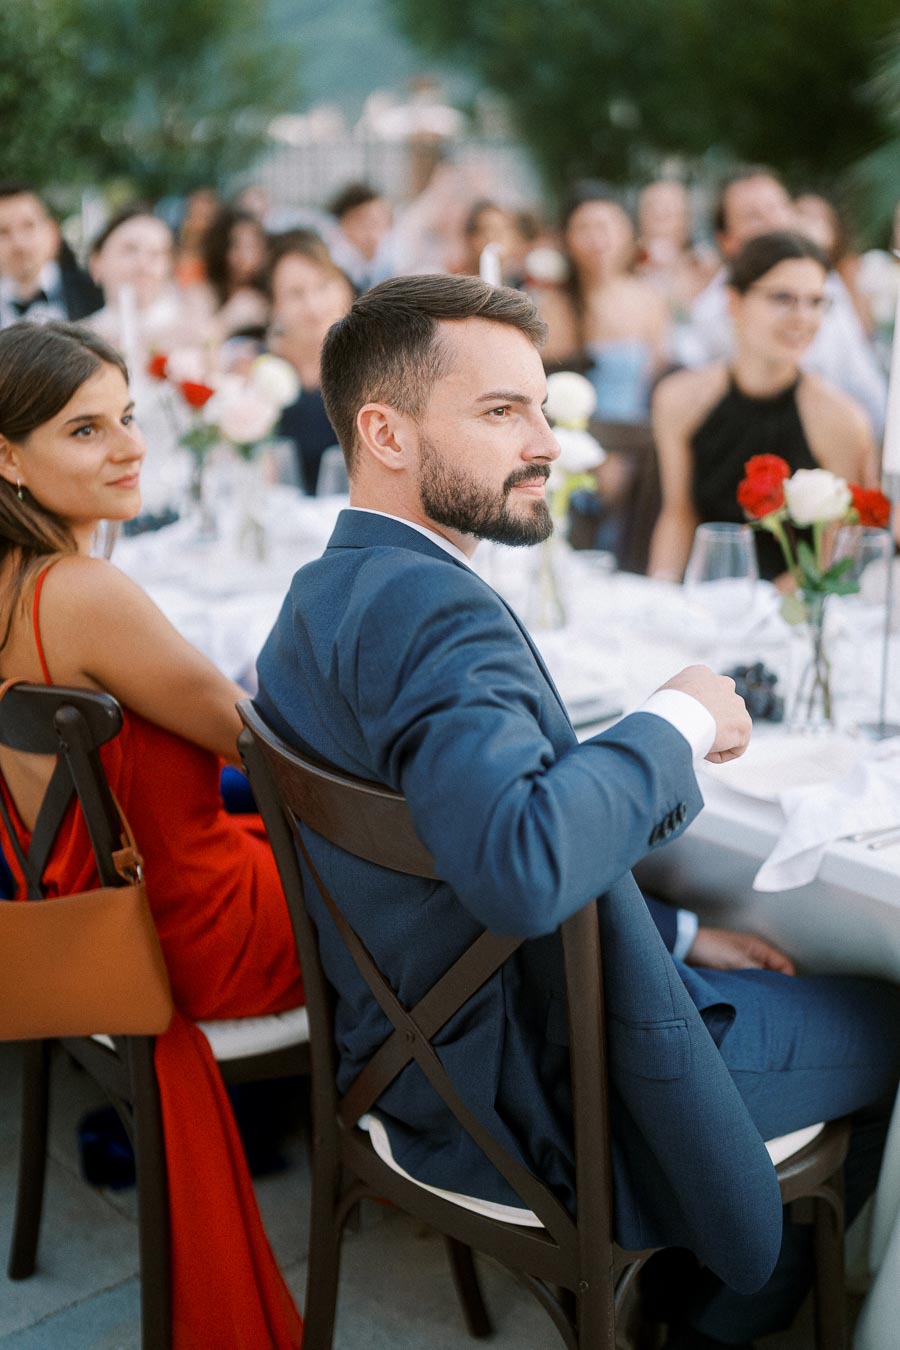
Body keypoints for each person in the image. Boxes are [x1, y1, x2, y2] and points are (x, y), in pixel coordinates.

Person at [255, 273, 900, 1349]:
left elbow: (475, 818)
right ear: (387, 432)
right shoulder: (439, 616)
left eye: (542, 408)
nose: (544, 443)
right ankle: (717, 1321)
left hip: (409, 1064)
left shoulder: (327, 590)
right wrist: (679, 719)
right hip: (536, 1099)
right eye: (501, 412)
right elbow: (522, 861)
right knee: (892, 1006)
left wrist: (686, 930)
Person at [0, 321, 303, 1348]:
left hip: (95, 916)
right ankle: (441, 1159)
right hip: (195, 933)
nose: (130, 447)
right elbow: (263, 743)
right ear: (7, 456)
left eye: (128, 418)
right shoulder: (83, 592)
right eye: (86, 430)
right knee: (458, 887)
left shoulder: (17, 586)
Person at [649, 231, 879, 584]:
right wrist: (661, 589)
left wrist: (760, 610)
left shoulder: (843, 420)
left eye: (816, 301)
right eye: (783, 297)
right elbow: (678, 514)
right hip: (704, 598)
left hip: (792, 612)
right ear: (734, 302)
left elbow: (834, 551)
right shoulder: (677, 399)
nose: (803, 317)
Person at [683, 169, 887, 437]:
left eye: (777, 208)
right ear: (727, 241)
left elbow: (864, 383)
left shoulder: (828, 284)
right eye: (753, 216)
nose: (772, 221)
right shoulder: (710, 312)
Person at [536, 187, 670, 422]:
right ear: (566, 238)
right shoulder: (554, 307)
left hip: (638, 436)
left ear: (628, 232)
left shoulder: (650, 299)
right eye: (584, 229)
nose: (597, 240)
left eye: (605, 227)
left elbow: (658, 379)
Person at [265, 231, 354, 494]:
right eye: (295, 294)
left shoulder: (378, 366)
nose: (313, 305)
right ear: (276, 306)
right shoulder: (259, 370)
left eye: (323, 286)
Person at [0, 184, 101, 329]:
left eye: (29, 226)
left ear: (53, 233)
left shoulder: (93, 294)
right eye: (3, 232)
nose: (18, 242)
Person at [195, 205, 270, 340]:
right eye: (236, 246)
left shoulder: (270, 295)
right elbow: (197, 341)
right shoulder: (203, 293)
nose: (245, 257)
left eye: (252, 246)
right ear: (221, 249)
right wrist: (231, 317)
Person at [326, 181, 395, 292]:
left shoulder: (385, 267)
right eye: (367, 224)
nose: (374, 234)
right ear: (342, 224)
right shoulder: (330, 273)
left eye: (383, 223)